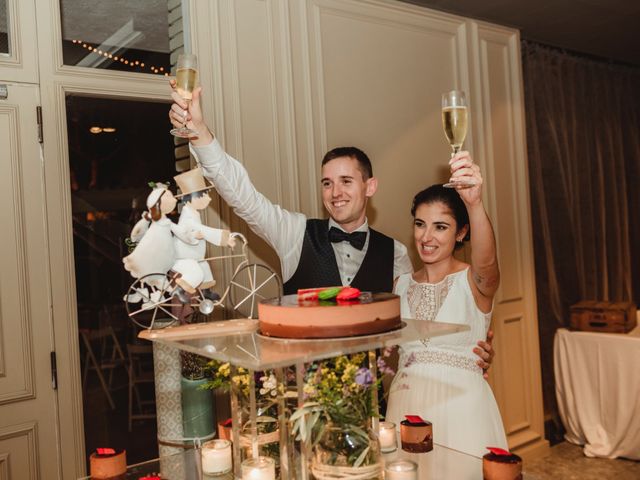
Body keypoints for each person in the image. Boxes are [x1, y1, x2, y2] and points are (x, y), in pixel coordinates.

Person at [168, 85, 494, 372]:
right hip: (300, 399)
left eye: (346, 182)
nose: (335, 193)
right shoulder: (294, 234)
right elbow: (243, 195)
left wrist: (474, 348)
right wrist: (200, 134)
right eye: (327, 183)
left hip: (371, 403)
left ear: (370, 187)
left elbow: (418, 325)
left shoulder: (396, 254)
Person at [385, 153, 508, 457]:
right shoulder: (399, 285)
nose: (426, 237)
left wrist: (475, 203)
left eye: (440, 227)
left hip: (462, 409)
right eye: (420, 224)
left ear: (461, 232)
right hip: (405, 407)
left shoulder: (475, 282)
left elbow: (488, 261)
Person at [172, 167, 237, 301]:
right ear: (193, 198)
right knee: (196, 272)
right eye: (205, 195)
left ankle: (206, 291)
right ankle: (180, 290)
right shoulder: (188, 217)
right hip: (182, 257)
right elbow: (203, 230)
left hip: (193, 254)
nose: (209, 199)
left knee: (204, 265)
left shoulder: (193, 213)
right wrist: (225, 240)